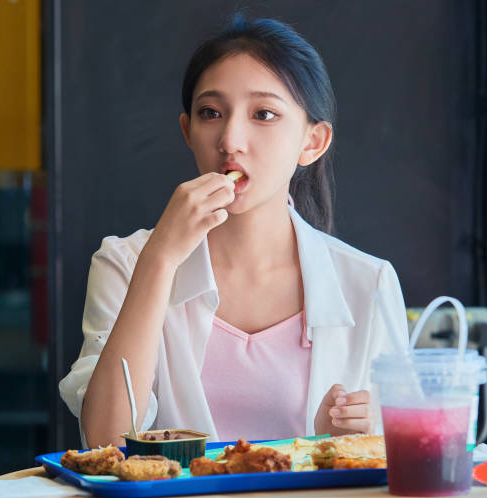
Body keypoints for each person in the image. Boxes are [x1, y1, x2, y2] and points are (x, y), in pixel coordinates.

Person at [59, 14, 408, 449]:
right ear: (188, 131)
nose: (230, 140)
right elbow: (104, 444)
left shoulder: (370, 283)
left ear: (312, 142)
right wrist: (160, 260)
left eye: (264, 114)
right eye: (211, 113)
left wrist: (348, 439)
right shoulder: (126, 263)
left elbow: (406, 454)